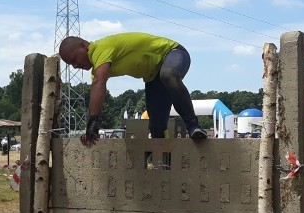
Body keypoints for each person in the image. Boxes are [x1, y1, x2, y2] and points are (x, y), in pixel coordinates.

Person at [58, 33, 207, 145]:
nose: (76, 66)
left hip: (173, 53)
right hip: (153, 76)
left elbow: (99, 83)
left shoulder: (100, 48)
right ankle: (164, 168)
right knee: (156, 128)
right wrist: (91, 130)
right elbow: (97, 92)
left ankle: (193, 125)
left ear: (83, 46)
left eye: (74, 60)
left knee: (168, 75)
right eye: (71, 65)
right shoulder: (97, 69)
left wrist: (92, 121)